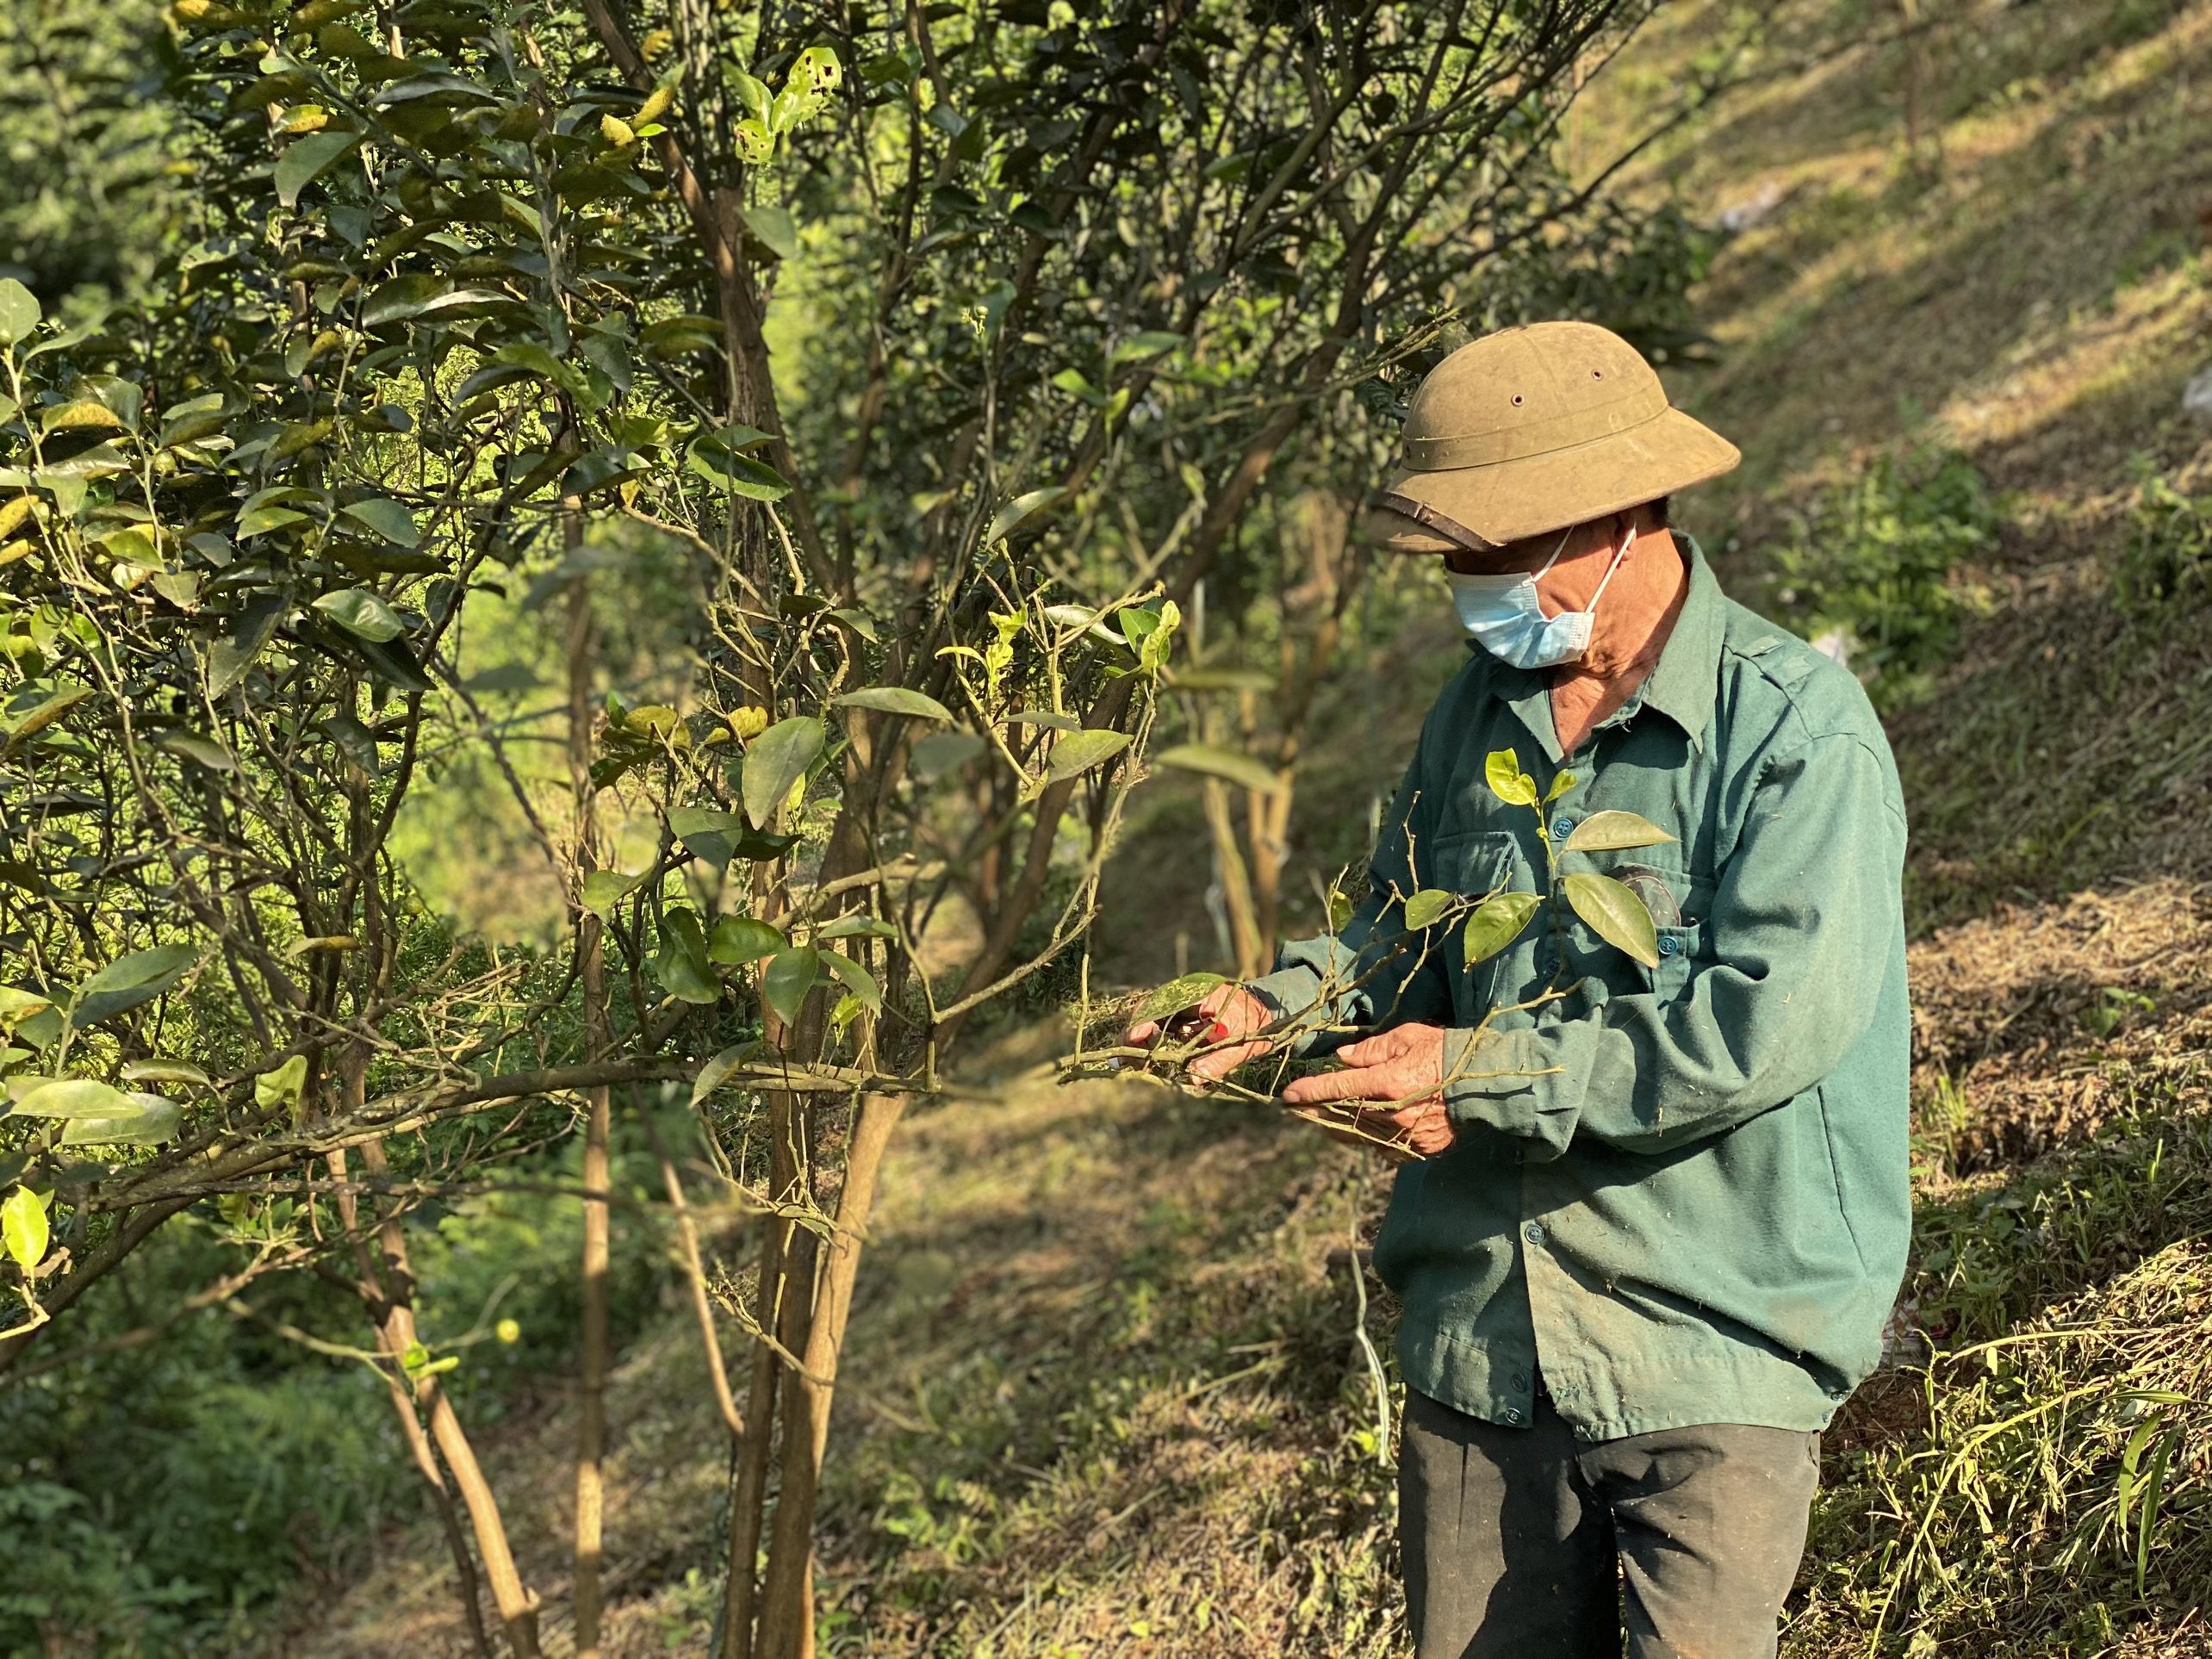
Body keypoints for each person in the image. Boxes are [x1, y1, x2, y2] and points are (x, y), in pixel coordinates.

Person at [1125, 321, 1911, 1658]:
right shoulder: (1472, 719)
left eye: (1500, 553)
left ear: (1620, 517)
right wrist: (1279, 1008)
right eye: (1460, 560)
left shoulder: (1795, 737)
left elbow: (1760, 1025)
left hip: (1707, 1330)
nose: (1474, 590)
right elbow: (1396, 924)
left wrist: (1476, 1073)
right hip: (1483, 1345)